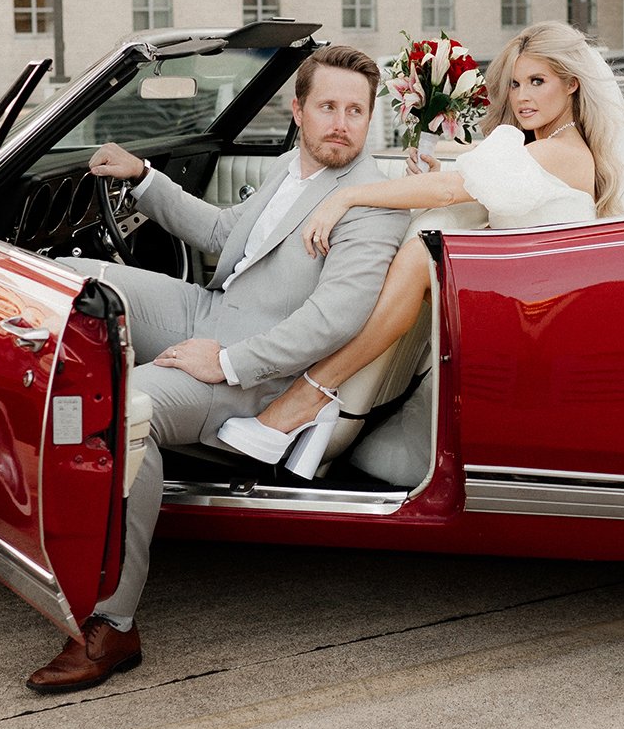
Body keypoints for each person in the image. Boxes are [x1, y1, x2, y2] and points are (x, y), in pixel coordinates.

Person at [25, 44, 408, 694]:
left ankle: (113, 622)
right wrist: (145, 177)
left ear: (370, 118)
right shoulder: (294, 166)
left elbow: (335, 319)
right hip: (211, 309)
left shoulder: (371, 203)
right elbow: (224, 231)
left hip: (257, 374)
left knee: (124, 411)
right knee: (64, 280)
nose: (341, 123)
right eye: (328, 107)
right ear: (298, 110)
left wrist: (227, 361)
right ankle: (29, 431)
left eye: (355, 110)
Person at [219, 21, 624, 451]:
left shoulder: (556, 151)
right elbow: (482, 192)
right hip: (523, 292)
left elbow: (448, 191)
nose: (523, 97)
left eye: (538, 81)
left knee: (417, 256)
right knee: (423, 248)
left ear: (571, 84)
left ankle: (310, 394)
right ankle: (313, 390)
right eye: (516, 83)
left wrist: (346, 196)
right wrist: (442, 180)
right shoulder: (549, 146)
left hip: (537, 310)